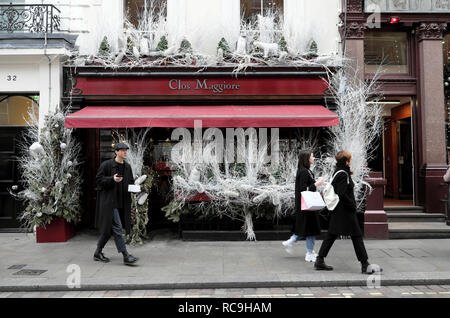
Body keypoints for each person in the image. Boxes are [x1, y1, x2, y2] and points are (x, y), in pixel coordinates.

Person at [314, 150, 381, 274]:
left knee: (332, 234)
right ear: (346, 161)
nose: (351, 160)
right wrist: (351, 205)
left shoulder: (341, 171)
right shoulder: (342, 174)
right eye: (350, 159)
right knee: (356, 236)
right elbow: (341, 192)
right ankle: (364, 264)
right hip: (344, 211)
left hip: (340, 210)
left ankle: (319, 260)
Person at [93, 142, 138, 266]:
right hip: (109, 203)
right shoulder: (106, 165)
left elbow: (130, 182)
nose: (125, 152)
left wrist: (136, 189)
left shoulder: (127, 167)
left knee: (107, 231)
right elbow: (98, 180)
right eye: (122, 150)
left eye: (126, 150)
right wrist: (111, 179)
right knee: (118, 228)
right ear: (116, 152)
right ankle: (125, 255)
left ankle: (97, 253)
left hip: (122, 202)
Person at [282, 150, 324, 262]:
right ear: (307, 159)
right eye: (312, 156)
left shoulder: (304, 171)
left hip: (306, 205)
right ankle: (309, 253)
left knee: (307, 228)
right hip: (307, 205)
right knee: (311, 229)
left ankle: (292, 242)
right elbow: (303, 189)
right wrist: (317, 184)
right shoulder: (304, 172)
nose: (314, 158)